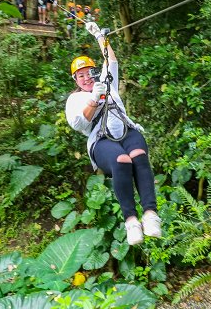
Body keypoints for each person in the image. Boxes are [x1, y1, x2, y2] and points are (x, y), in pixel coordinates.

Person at [65, 26, 161, 246]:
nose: (86, 78)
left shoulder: (107, 82)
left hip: (126, 131)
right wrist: (93, 98)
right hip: (102, 141)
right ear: (75, 80)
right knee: (122, 160)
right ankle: (131, 221)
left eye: (88, 72)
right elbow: (79, 123)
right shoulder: (75, 100)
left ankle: (150, 214)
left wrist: (100, 36)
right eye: (80, 76)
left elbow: (112, 60)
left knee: (138, 154)